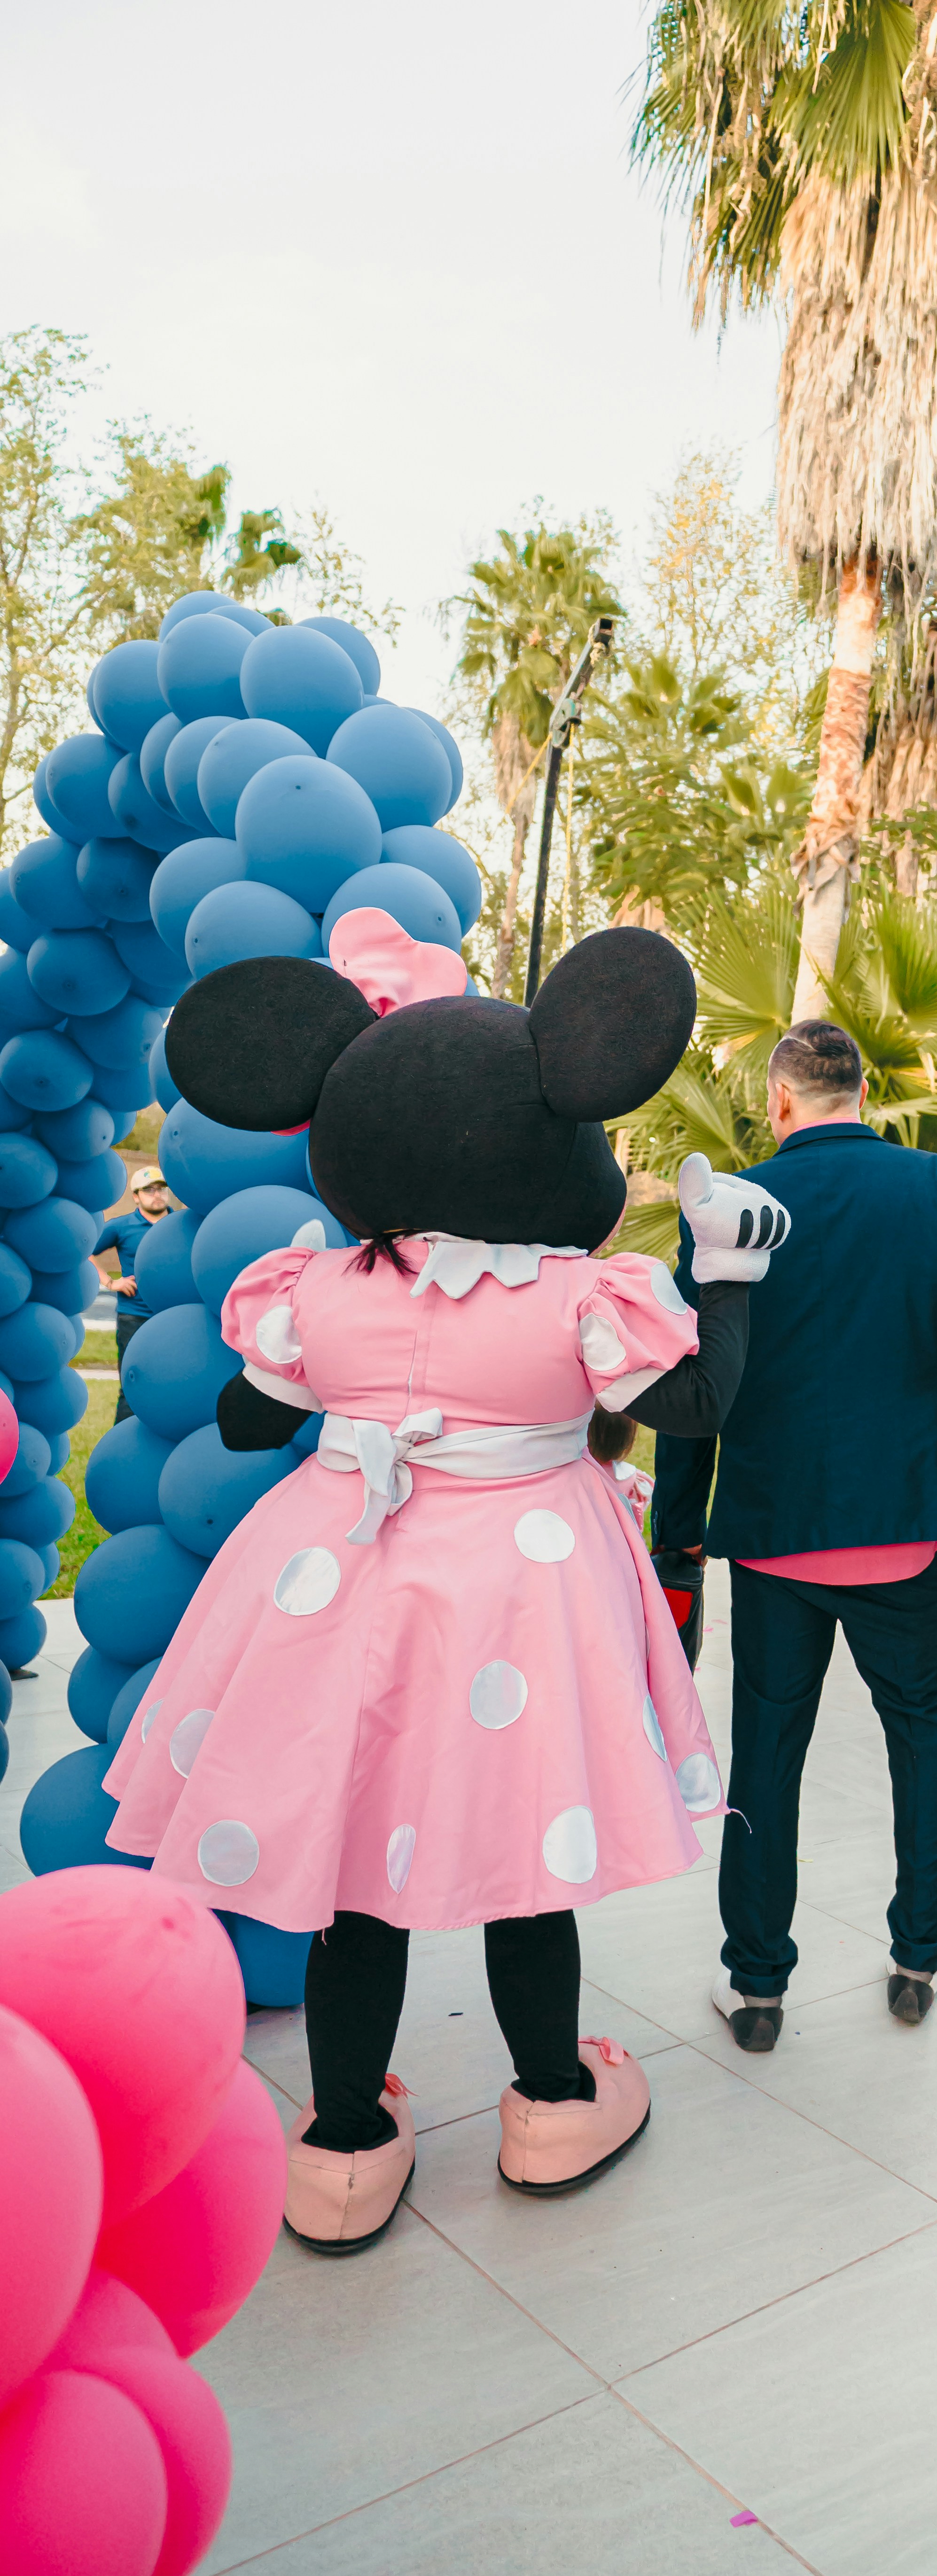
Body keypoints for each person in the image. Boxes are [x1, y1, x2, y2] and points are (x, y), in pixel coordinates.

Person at [105, 914, 790, 2253]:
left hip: (335, 1580)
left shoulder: (314, 1286)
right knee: (524, 1850)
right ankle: (547, 2103)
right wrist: (733, 1267)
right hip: (519, 1586)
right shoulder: (581, 1297)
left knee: (353, 1865)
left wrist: (345, 1402)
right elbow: (702, 1404)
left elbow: (252, 1421)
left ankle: (345, 2145)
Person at [651, 1019, 937, 2051]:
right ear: (862, 1094)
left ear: (780, 1103)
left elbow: (697, 1381)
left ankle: (757, 1983)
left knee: (766, 1759)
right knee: (925, 1738)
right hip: (913, 1531)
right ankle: (917, 1955)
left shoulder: (728, 1205)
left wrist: (677, 1534)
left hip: (777, 1535)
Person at [93, 1164, 174, 1424]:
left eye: (161, 1188)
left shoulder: (182, 1225)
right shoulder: (121, 1227)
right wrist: (109, 1281)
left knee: (172, 1385)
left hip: (174, 1320)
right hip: (134, 1318)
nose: (157, 1194)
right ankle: (124, 1447)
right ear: (136, 1197)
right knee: (132, 1387)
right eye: (148, 1190)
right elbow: (85, 1251)